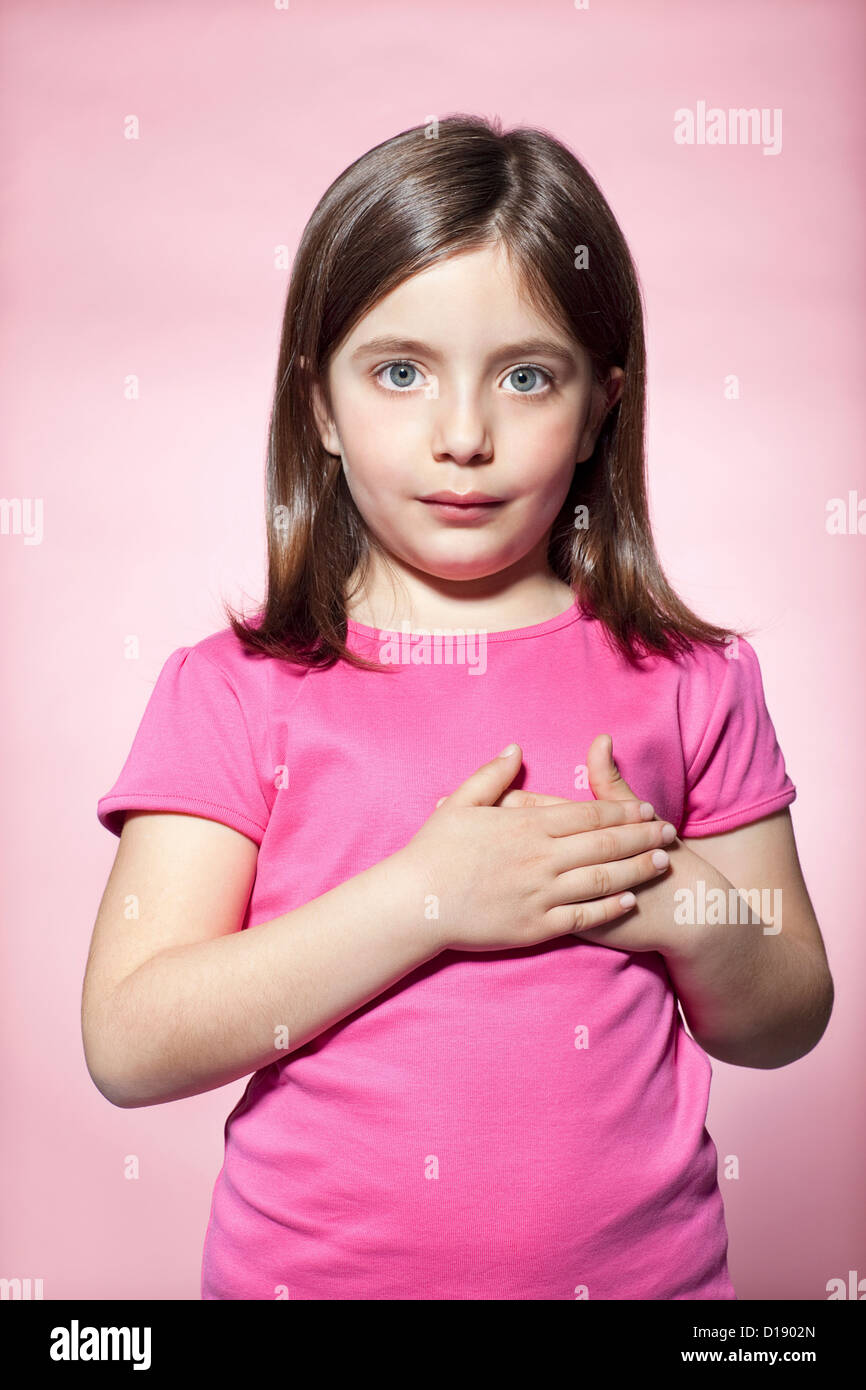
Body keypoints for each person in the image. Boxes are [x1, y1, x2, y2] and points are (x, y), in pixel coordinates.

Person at [85, 114, 833, 1301]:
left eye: (527, 376)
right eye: (398, 372)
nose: (463, 436)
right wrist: (431, 898)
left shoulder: (692, 675)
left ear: (600, 407)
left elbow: (785, 1012)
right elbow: (130, 1038)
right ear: (319, 407)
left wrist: (692, 908)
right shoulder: (235, 688)